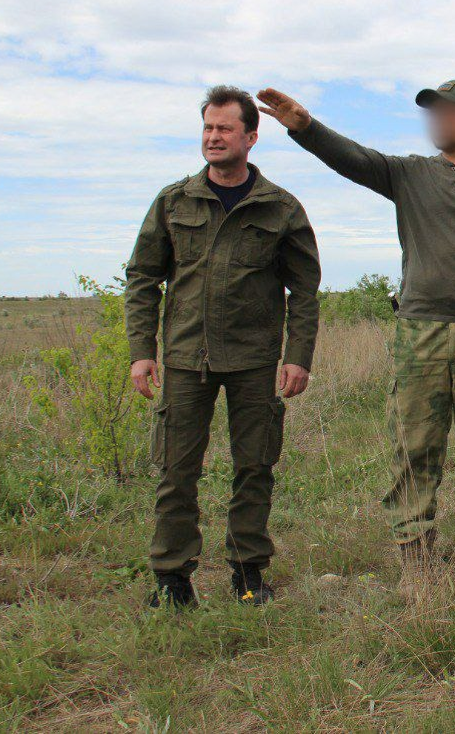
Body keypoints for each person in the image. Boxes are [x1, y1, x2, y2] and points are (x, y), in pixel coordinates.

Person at [256, 81, 455, 593]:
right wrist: (305, 127)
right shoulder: (409, 173)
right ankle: (417, 560)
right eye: (430, 112)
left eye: (445, 111)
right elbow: (353, 159)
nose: (434, 120)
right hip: (420, 333)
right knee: (414, 445)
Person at [125, 85, 322, 609]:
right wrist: (141, 350)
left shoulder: (280, 208)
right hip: (187, 358)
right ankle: (171, 578)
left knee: (255, 465)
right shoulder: (173, 201)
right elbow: (143, 277)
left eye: (225, 129)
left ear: (251, 137)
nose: (214, 138)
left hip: (255, 361)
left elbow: (304, 289)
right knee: (175, 470)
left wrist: (297, 355)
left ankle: (248, 571)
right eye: (208, 128)